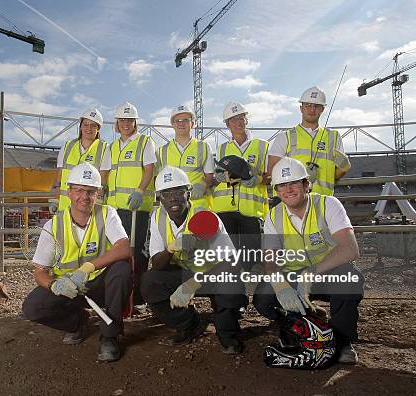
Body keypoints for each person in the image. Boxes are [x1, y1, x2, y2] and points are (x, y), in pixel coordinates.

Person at [253, 157, 364, 364]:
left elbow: (350, 249)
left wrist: (311, 273)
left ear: (306, 184)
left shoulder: (327, 204)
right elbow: (270, 258)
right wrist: (280, 285)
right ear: (276, 191)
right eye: (282, 185)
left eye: (294, 182)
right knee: (263, 298)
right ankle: (302, 322)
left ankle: (341, 339)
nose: (288, 189)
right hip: (293, 275)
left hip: (328, 272)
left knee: (350, 279)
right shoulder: (273, 216)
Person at [22, 163, 132, 362]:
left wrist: (88, 268)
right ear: (69, 192)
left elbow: (124, 247)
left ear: (97, 194)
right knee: (33, 307)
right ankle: (77, 323)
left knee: (122, 269)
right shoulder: (54, 225)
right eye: (79, 190)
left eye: (90, 191)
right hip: (69, 288)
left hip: (100, 285)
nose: (85, 197)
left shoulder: (107, 213)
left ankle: (110, 336)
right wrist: (54, 285)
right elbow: (40, 271)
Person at [141, 166, 247, 354]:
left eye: (178, 191)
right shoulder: (158, 218)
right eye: (166, 193)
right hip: (184, 271)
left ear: (188, 193)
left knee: (231, 285)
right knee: (151, 281)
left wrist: (191, 285)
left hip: (212, 273)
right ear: (160, 198)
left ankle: (227, 333)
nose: (172, 197)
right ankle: (189, 324)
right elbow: (157, 263)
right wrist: (170, 248)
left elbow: (230, 262)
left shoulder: (205, 216)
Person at [100, 101, 156, 305]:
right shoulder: (112, 146)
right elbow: (104, 173)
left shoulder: (144, 142)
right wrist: (103, 188)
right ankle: (120, 294)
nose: (125, 123)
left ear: (135, 122)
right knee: (116, 251)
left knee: (137, 251)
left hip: (137, 208)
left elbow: (149, 169)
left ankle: (138, 298)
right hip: (115, 208)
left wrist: (140, 191)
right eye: (122, 120)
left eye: (129, 120)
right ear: (117, 122)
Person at [212, 102, 269, 270]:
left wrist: (257, 179)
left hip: (251, 210)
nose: (238, 123)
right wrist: (220, 177)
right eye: (233, 120)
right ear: (227, 124)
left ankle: (251, 294)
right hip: (225, 210)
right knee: (229, 259)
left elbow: (270, 175)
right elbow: (217, 177)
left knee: (251, 261)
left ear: (246, 119)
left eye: (240, 118)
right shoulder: (222, 148)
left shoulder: (262, 145)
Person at [267, 86, 352, 196]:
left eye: (316, 106)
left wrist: (344, 168)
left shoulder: (334, 137)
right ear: (301, 108)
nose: (312, 109)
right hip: (291, 202)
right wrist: (300, 176)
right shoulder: (284, 137)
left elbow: (334, 176)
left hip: (323, 201)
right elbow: (272, 172)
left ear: (322, 109)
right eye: (308, 105)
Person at [156, 105, 214, 209]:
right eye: (177, 120)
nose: (181, 123)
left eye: (186, 120)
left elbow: (209, 176)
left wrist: (202, 184)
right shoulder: (162, 151)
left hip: (197, 206)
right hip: (172, 208)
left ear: (192, 123)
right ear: (173, 124)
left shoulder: (204, 147)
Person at [52, 108, 107, 212]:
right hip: (65, 205)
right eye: (86, 124)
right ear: (80, 126)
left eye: (93, 125)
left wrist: (98, 201)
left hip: (87, 207)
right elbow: (59, 176)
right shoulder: (67, 146)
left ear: (98, 128)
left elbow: (103, 179)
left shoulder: (104, 148)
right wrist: (56, 199)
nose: (89, 128)